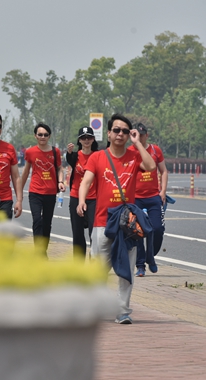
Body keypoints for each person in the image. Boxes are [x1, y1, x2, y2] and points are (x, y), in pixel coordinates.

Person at [76, 113, 156, 325]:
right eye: (117, 130)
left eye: (125, 131)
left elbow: (151, 167)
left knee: (126, 270)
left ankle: (122, 312)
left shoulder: (134, 156)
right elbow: (86, 182)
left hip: (127, 224)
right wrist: (81, 201)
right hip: (102, 222)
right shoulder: (97, 157)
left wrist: (137, 143)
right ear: (109, 133)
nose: (121, 134)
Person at [20, 123, 64, 256]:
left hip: (50, 193)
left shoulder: (55, 151)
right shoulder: (30, 152)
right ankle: (39, 252)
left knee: (46, 223)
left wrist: (61, 182)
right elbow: (26, 172)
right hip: (35, 192)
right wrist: (19, 191)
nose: (43, 137)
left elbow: (59, 169)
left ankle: (43, 249)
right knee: (37, 220)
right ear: (35, 136)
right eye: (40, 134)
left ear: (49, 136)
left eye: (45, 135)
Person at [130, 123, 167, 277]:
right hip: (136, 198)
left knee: (157, 229)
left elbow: (163, 171)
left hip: (153, 197)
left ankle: (150, 257)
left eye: (142, 134)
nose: (140, 137)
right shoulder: (129, 152)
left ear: (147, 135)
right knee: (139, 231)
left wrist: (163, 191)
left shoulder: (155, 150)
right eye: (137, 135)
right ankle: (140, 266)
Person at [65, 126, 98, 261]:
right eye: (83, 138)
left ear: (93, 139)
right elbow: (69, 160)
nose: (86, 140)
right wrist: (69, 152)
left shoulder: (98, 156)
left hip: (94, 198)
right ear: (79, 140)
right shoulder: (75, 156)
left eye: (89, 137)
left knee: (94, 233)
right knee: (77, 233)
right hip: (76, 197)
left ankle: (94, 261)